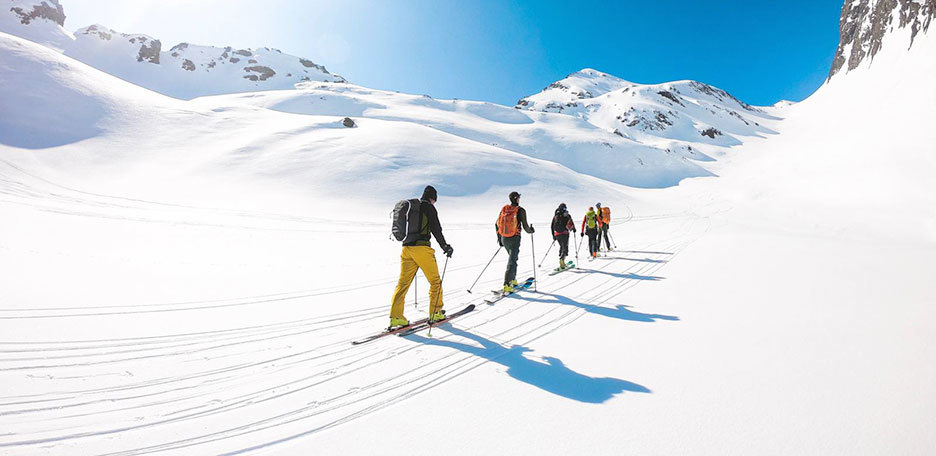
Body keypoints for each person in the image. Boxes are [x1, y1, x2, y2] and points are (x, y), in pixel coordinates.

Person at [389, 185, 453, 327]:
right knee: (435, 282)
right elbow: (436, 229)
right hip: (422, 249)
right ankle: (436, 313)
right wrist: (445, 246)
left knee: (403, 283)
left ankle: (396, 316)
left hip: (406, 249)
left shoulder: (412, 208)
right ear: (433, 198)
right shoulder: (428, 208)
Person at [496, 191, 534, 293]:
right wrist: (531, 231)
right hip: (514, 238)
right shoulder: (520, 210)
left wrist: (499, 238)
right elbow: (526, 227)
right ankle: (507, 284)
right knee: (512, 261)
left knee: (513, 258)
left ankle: (513, 279)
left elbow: (497, 224)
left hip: (504, 238)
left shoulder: (504, 209)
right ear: (517, 199)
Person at [551, 203, 576, 270]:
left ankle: (562, 259)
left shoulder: (556, 215)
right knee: (565, 247)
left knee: (562, 246)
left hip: (557, 234)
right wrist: (574, 229)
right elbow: (571, 222)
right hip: (565, 233)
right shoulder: (566, 214)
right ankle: (562, 260)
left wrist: (553, 235)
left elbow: (552, 226)